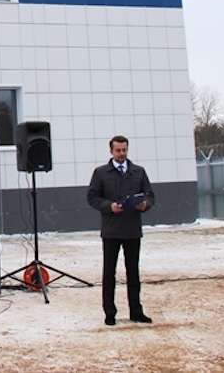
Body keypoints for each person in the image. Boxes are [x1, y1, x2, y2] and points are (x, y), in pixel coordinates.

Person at [87, 135, 155, 326]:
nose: (121, 153)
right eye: (118, 150)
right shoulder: (101, 173)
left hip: (132, 228)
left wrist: (145, 204)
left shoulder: (138, 171)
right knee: (109, 272)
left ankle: (136, 311)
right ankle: (110, 313)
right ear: (111, 151)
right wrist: (109, 206)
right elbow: (92, 197)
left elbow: (150, 195)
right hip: (111, 230)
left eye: (124, 150)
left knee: (133, 272)